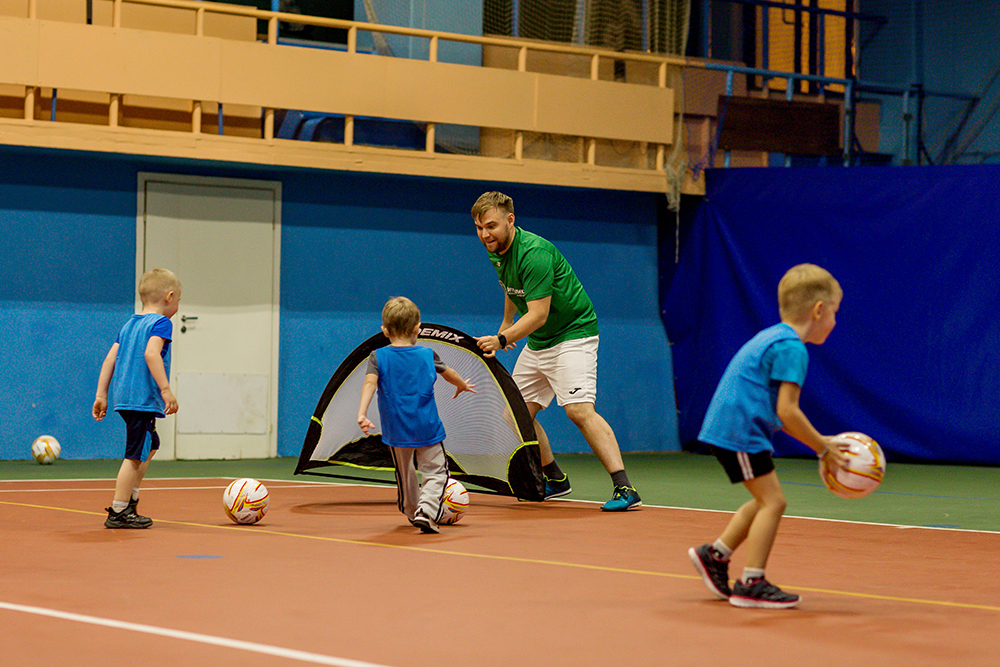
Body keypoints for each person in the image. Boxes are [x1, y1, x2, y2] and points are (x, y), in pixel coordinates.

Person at [688, 263, 848, 609]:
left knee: (763, 499)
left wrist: (822, 442)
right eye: (835, 312)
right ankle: (752, 582)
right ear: (819, 310)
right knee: (774, 502)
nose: (835, 321)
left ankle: (715, 555)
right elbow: (788, 412)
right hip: (740, 428)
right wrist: (823, 448)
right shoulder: (793, 348)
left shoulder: (775, 336)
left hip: (732, 426)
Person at [470, 191, 640, 511]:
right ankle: (555, 478)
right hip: (540, 340)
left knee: (578, 410)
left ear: (510, 220)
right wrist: (506, 325)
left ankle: (625, 488)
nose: (484, 234)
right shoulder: (497, 250)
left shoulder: (534, 253)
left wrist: (502, 341)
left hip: (572, 334)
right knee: (515, 415)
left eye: (490, 226)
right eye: (479, 227)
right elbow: (511, 286)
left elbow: (538, 315)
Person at [357, 296, 476, 534]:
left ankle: (412, 510)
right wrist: (461, 384)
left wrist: (362, 413)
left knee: (405, 472)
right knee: (436, 471)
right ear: (416, 329)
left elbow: (369, 384)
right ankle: (428, 510)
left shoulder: (377, 357)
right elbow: (448, 372)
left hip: (395, 429)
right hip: (426, 426)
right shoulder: (426, 354)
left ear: (384, 330)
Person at [93, 268, 181, 529]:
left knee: (150, 444)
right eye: (178, 300)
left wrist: (101, 394)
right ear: (170, 296)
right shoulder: (161, 323)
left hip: (124, 396)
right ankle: (119, 510)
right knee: (134, 455)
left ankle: (131, 497)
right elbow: (152, 354)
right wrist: (166, 389)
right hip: (141, 399)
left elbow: (110, 359)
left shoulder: (129, 324)